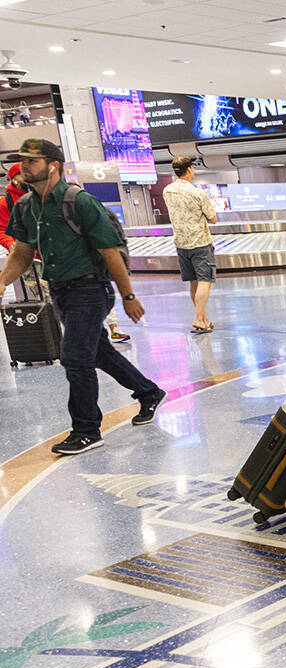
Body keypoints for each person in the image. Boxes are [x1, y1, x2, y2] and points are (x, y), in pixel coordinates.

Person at [0, 138, 164, 455]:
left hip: (90, 289)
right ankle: (149, 393)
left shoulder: (80, 202)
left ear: (53, 165)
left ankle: (87, 430)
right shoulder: (25, 206)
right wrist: (3, 280)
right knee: (99, 352)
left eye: (31, 161)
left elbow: (110, 252)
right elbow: (21, 253)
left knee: (75, 357)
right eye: (22, 161)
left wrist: (128, 296)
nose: (23, 167)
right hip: (60, 290)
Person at [162, 155, 218, 332]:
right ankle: (197, 319)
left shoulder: (167, 191)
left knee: (194, 282)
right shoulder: (197, 193)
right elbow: (213, 218)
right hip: (200, 242)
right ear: (189, 169)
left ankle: (204, 320)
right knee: (204, 281)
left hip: (181, 244)